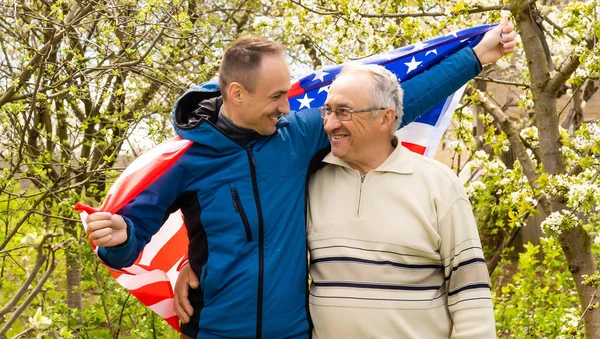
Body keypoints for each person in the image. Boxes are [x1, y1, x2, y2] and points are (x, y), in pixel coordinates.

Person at [86, 19, 515, 339]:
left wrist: (476, 57)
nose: (286, 108)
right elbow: (124, 247)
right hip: (213, 332)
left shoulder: (300, 137)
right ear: (237, 94)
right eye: (276, 97)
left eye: (288, 95)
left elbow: (400, 101)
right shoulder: (184, 159)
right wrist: (120, 238)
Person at [306, 64, 494, 338]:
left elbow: (470, 296)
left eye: (344, 112)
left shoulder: (438, 184)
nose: (330, 123)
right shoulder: (312, 182)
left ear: (385, 119)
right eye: (329, 110)